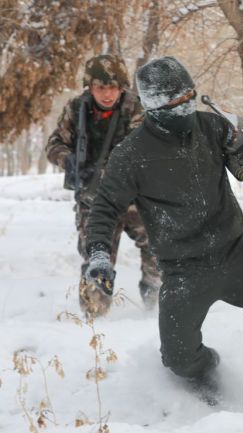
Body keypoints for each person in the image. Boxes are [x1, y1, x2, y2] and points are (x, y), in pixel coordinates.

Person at [82, 56, 243, 404]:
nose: (185, 108)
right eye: (176, 103)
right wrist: (98, 256)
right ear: (152, 106)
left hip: (237, 253)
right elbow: (103, 209)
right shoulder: (130, 155)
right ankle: (211, 374)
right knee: (178, 358)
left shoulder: (211, 127)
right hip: (184, 269)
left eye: (190, 98)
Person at [46, 54, 161, 316]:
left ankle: (155, 311)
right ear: (90, 86)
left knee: (157, 250)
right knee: (96, 259)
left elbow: (147, 150)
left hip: (136, 198)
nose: (107, 94)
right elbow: (54, 145)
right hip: (94, 201)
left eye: (113, 87)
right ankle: (95, 323)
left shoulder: (136, 109)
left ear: (122, 86)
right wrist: (72, 161)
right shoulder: (76, 109)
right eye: (100, 88)